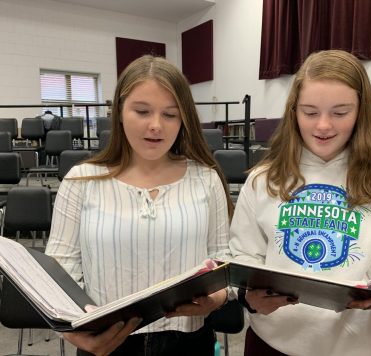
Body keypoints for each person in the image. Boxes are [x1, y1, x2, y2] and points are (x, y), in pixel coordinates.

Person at [228, 50, 371, 356]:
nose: (323, 126)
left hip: (362, 348)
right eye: (310, 112)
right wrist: (248, 297)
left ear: (361, 112)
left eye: (340, 112)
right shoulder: (263, 179)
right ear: (293, 112)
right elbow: (244, 260)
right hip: (271, 346)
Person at [45, 55, 233, 356]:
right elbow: (58, 273)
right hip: (107, 344)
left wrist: (218, 297)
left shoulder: (206, 179)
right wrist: (73, 335)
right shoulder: (81, 181)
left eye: (170, 115)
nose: (156, 126)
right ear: (118, 111)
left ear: (184, 118)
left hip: (188, 343)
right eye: (142, 111)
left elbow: (224, 261)